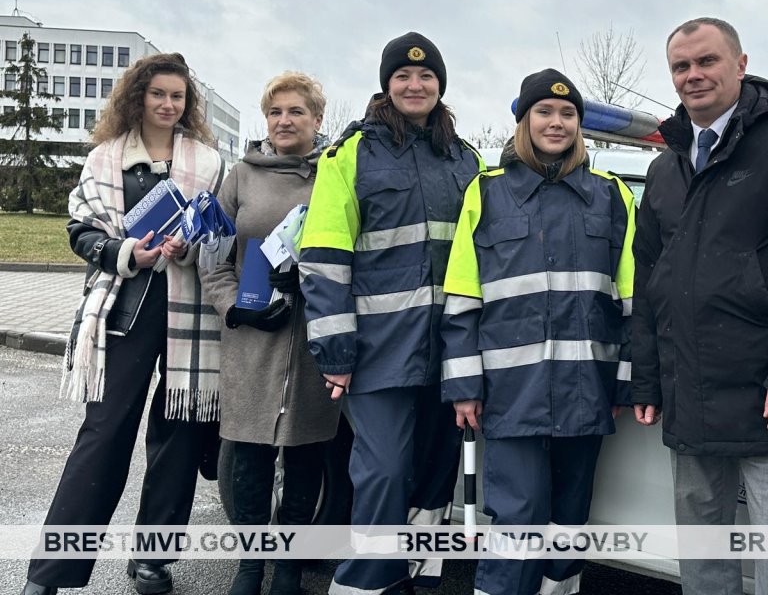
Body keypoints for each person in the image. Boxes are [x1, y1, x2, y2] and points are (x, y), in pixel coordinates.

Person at [631, 18, 768, 595]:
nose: (694, 75)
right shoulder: (664, 169)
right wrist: (648, 381)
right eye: (681, 66)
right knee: (702, 550)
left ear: (741, 64)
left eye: (707, 61)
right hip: (690, 392)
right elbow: (650, 282)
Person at [21, 53, 225, 595]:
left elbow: (221, 235)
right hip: (124, 309)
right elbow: (80, 231)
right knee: (104, 435)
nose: (168, 104)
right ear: (138, 97)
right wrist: (126, 251)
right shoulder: (105, 158)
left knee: (179, 437)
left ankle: (152, 560)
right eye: (158, 94)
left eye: (177, 96)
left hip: (192, 314)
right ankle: (52, 572)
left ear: (188, 103)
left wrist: (193, 243)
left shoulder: (209, 161)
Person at [298, 32, 484, 595]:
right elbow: (323, 257)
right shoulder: (349, 155)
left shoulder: (466, 159)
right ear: (386, 84)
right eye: (403, 75)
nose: (415, 84)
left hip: (449, 347)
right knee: (382, 471)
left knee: (434, 473)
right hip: (378, 349)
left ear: (440, 85)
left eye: (426, 76)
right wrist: (335, 351)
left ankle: (417, 578)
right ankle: (364, 585)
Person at [441, 69, 634, 595]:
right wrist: (463, 387)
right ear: (523, 122)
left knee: (570, 520)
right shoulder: (486, 192)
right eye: (544, 112)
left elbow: (632, 299)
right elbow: (462, 299)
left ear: (580, 124)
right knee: (516, 519)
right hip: (511, 391)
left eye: (567, 113)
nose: (557, 122)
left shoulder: (613, 196)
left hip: (585, 388)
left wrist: (623, 381)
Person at [200, 72, 348, 595]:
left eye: (296, 112)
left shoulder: (335, 176)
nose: (284, 121)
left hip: (313, 339)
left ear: (317, 119)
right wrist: (233, 309)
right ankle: (249, 564)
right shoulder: (240, 176)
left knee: (307, 457)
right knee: (249, 458)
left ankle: (287, 565)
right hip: (251, 338)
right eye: (275, 112)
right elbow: (212, 256)